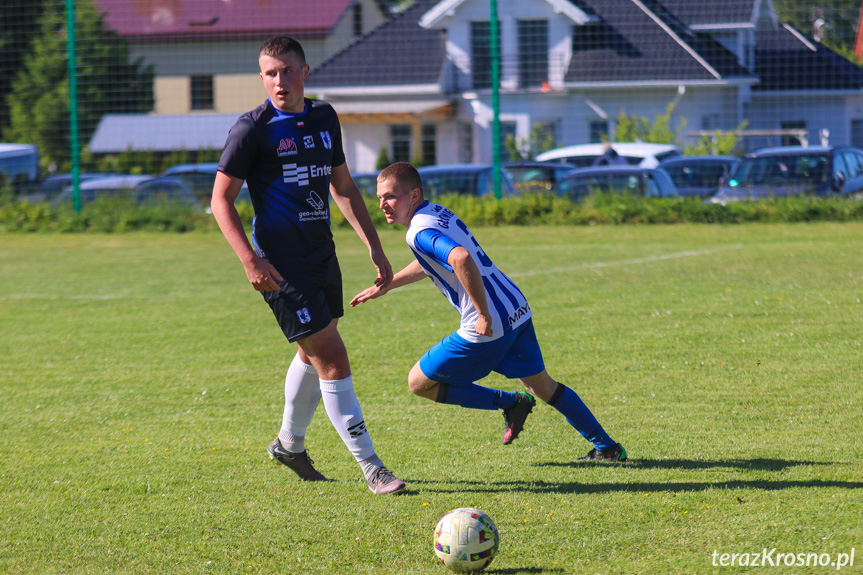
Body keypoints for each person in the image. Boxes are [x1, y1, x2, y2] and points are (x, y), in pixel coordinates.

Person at [210, 36, 405, 495]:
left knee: (310, 353)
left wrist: (375, 247)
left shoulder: (324, 117)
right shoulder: (251, 129)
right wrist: (249, 260)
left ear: (305, 71)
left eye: (288, 70)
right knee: (332, 357)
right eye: (270, 73)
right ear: (262, 78)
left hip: (322, 253)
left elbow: (342, 187)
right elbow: (220, 201)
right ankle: (372, 467)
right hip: (280, 264)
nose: (280, 81)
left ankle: (288, 444)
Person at [350, 162, 626, 462]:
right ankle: (608, 448)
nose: (382, 205)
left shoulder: (418, 231)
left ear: (414, 195)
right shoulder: (437, 212)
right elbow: (434, 260)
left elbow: (460, 257)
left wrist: (482, 314)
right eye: (379, 198)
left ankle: (510, 403)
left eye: (390, 196)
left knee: (418, 382)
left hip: (488, 326)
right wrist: (389, 284)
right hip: (515, 309)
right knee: (543, 386)